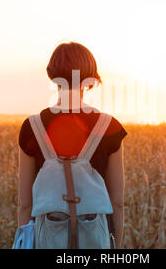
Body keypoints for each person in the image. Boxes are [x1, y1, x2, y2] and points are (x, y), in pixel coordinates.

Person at [17, 41, 127, 248]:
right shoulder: (109, 127)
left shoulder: (32, 127)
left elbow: (25, 204)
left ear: (53, 76)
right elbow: (117, 203)